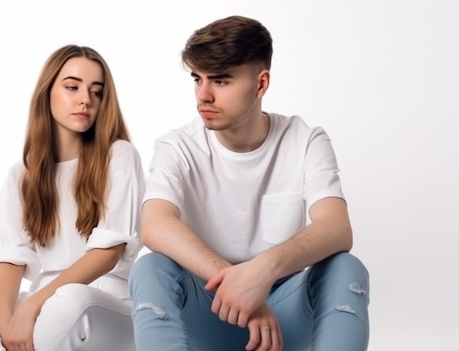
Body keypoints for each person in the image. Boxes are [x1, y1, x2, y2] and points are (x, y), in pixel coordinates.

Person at [128, 15, 370, 351]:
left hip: (284, 318)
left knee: (346, 267)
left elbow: (337, 229)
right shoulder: (177, 146)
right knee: (150, 268)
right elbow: (155, 226)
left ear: (261, 84)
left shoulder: (305, 140)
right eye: (197, 80)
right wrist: (237, 285)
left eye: (221, 81)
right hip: (209, 311)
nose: (204, 96)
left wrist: (261, 273)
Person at [0, 44, 145, 351]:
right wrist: (5, 318)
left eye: (97, 92)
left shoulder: (118, 155)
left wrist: (31, 307)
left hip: (102, 304)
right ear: (48, 92)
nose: (85, 99)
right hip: (45, 302)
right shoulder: (22, 174)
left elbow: (107, 253)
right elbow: (12, 257)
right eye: (72, 87)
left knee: (68, 299)